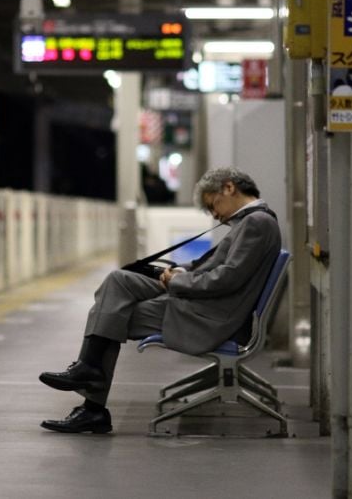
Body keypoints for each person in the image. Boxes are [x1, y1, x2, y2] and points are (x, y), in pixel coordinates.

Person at [38, 167, 281, 433]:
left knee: (115, 315)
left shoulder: (256, 222)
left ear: (229, 188)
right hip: (203, 299)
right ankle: (89, 369)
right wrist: (179, 271)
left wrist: (177, 281)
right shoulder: (252, 221)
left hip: (210, 315)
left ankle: (93, 405)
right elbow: (215, 267)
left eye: (213, 205)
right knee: (118, 280)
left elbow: (227, 278)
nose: (215, 215)